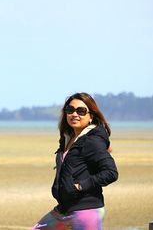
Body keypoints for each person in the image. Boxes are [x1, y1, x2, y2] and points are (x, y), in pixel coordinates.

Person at [32, 92, 118, 230]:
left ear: (91, 116)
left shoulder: (92, 140)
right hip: (63, 210)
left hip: (86, 211)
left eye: (81, 111)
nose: (74, 114)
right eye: (70, 110)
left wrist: (80, 186)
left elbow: (111, 172)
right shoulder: (68, 138)